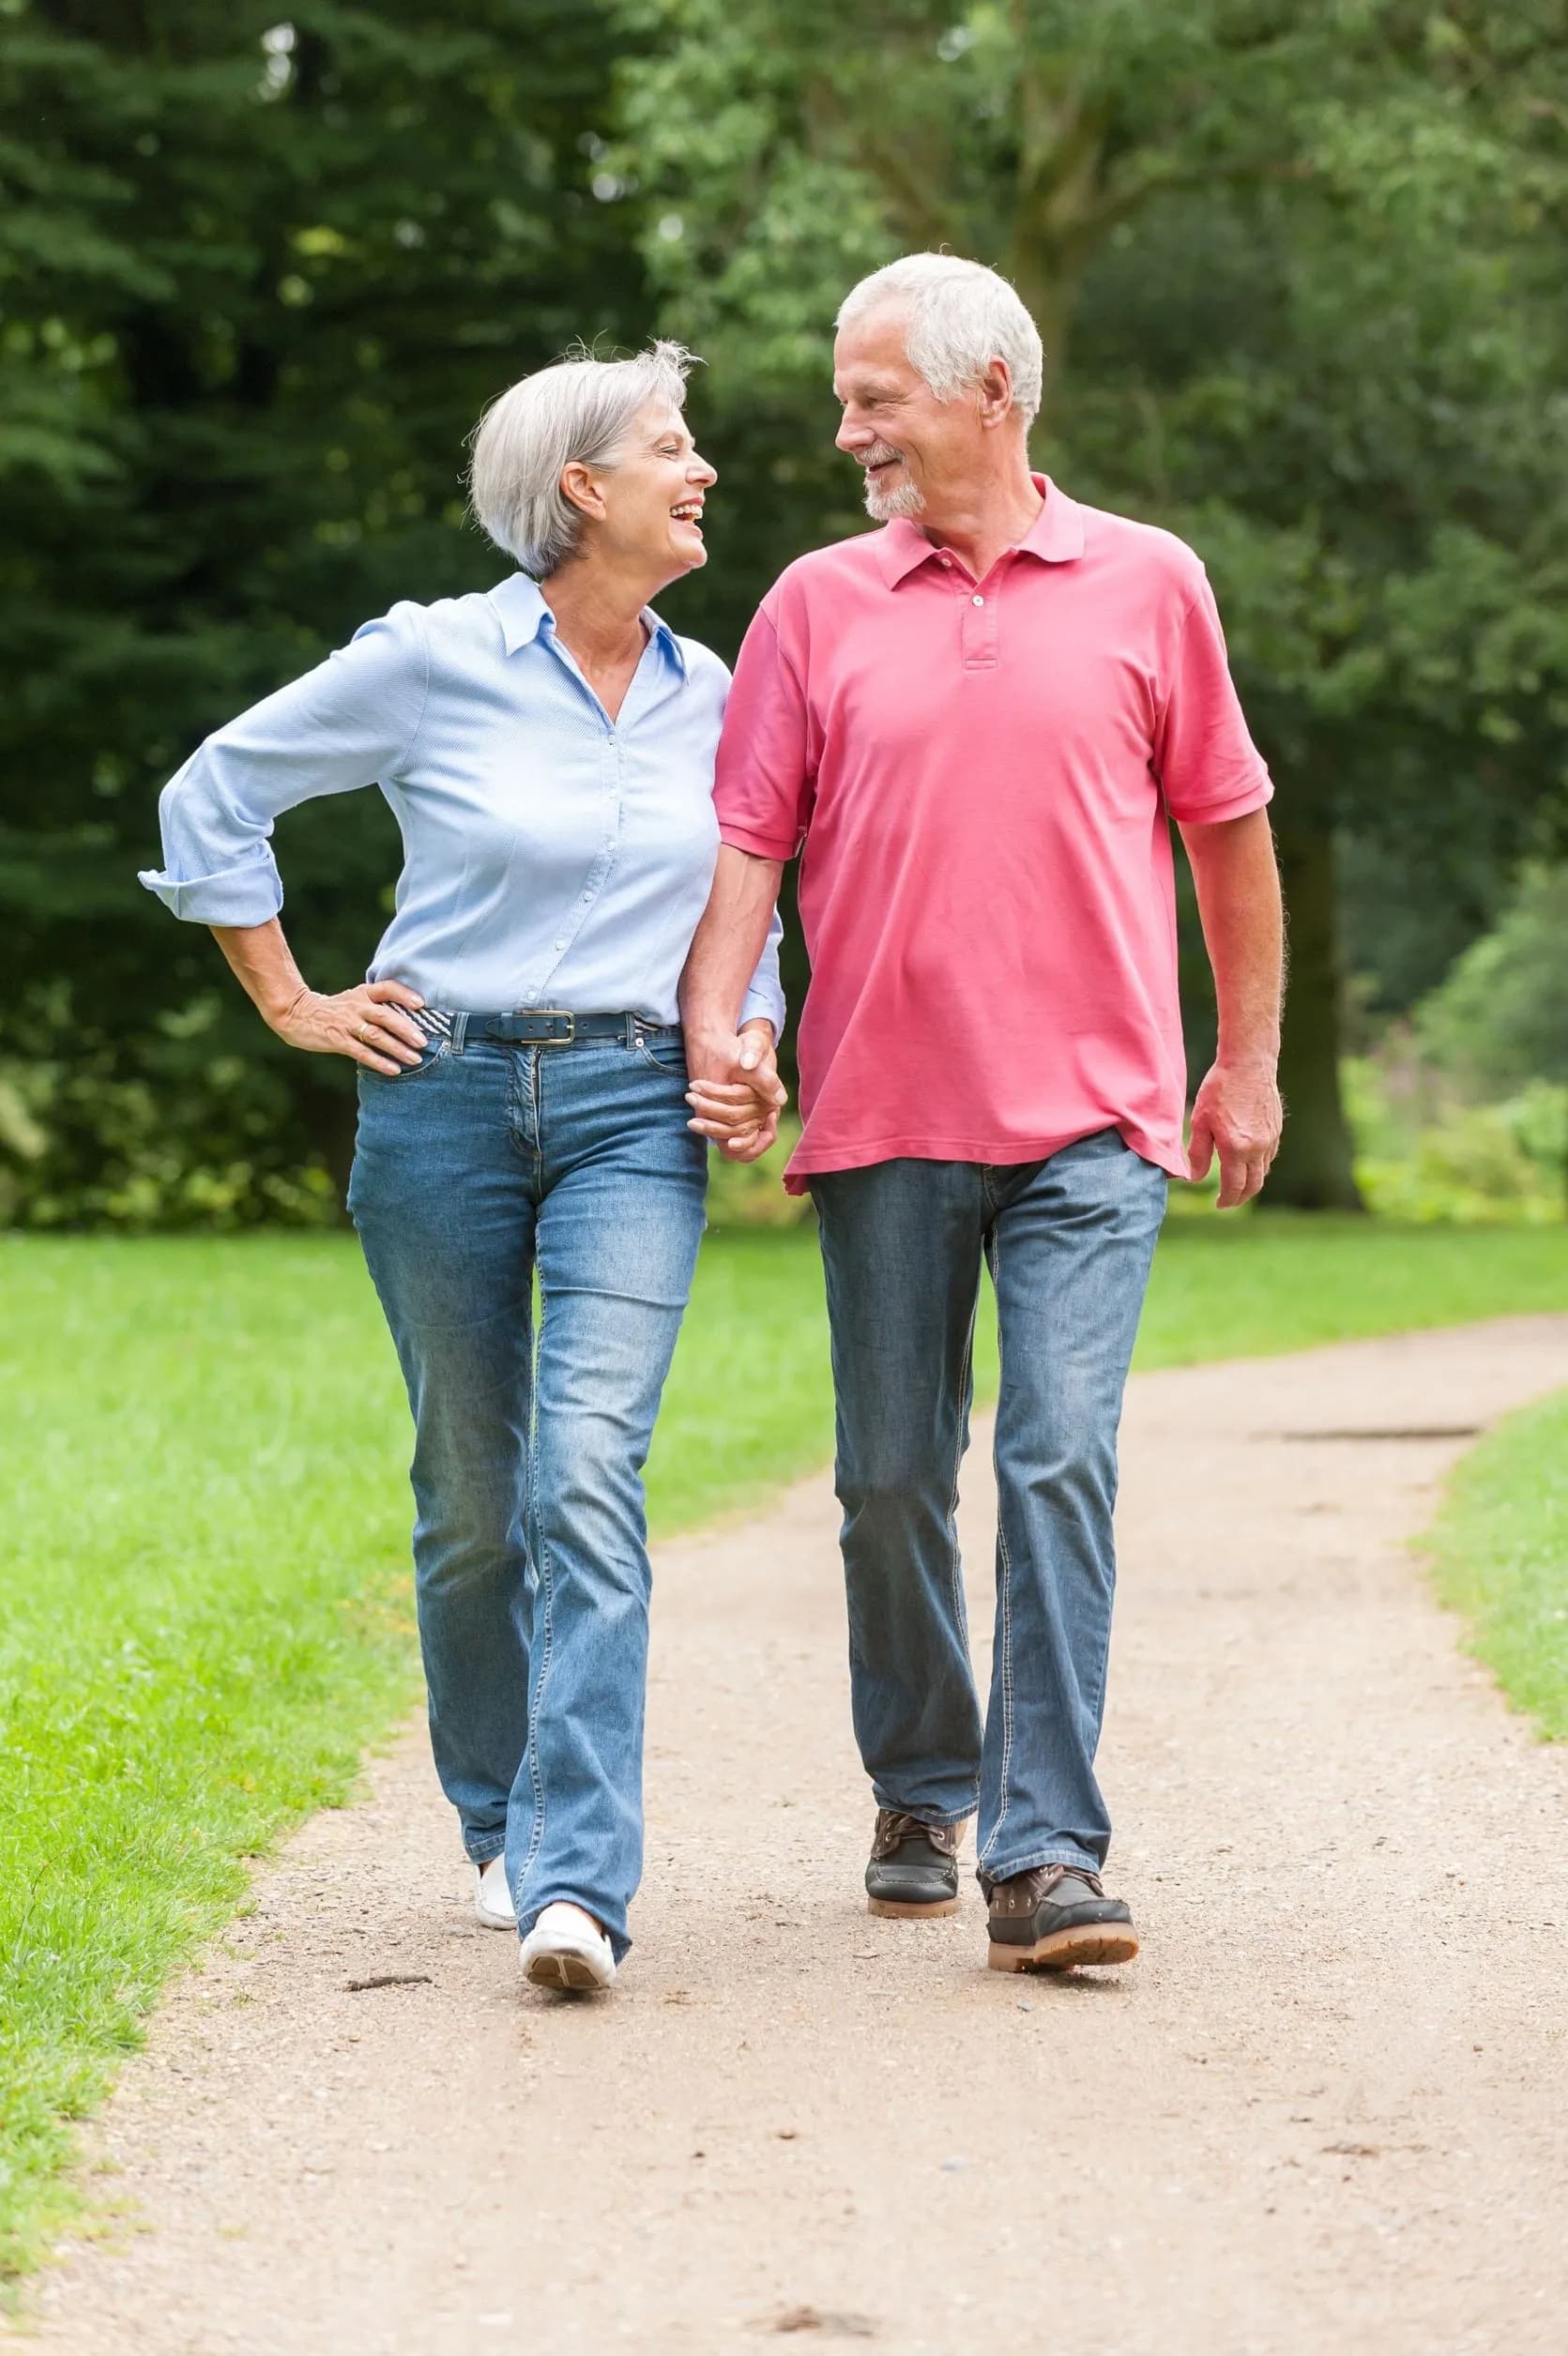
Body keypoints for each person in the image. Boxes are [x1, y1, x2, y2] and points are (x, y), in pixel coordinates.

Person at [141, 342, 786, 1994]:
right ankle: (497, 1823)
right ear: (581, 487)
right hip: (440, 1097)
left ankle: (579, 1883)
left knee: (587, 1471)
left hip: (638, 1109)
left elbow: (744, 906)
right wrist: (291, 999)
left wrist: (750, 1038)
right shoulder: (432, 661)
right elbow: (217, 790)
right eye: (671, 444)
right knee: (476, 1500)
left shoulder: (723, 695)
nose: (702, 467)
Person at [680, 254, 1284, 1975]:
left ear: (991, 394)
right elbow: (752, 842)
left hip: (1097, 1115)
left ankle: (1044, 1855)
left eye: (878, 395)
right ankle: (922, 1778)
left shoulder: (1152, 584)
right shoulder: (811, 604)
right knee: (886, 1479)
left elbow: (1227, 831)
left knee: (1058, 1456)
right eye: (848, 394)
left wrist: (1242, 1061)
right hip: (885, 1110)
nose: (846, 425)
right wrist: (717, 1013)